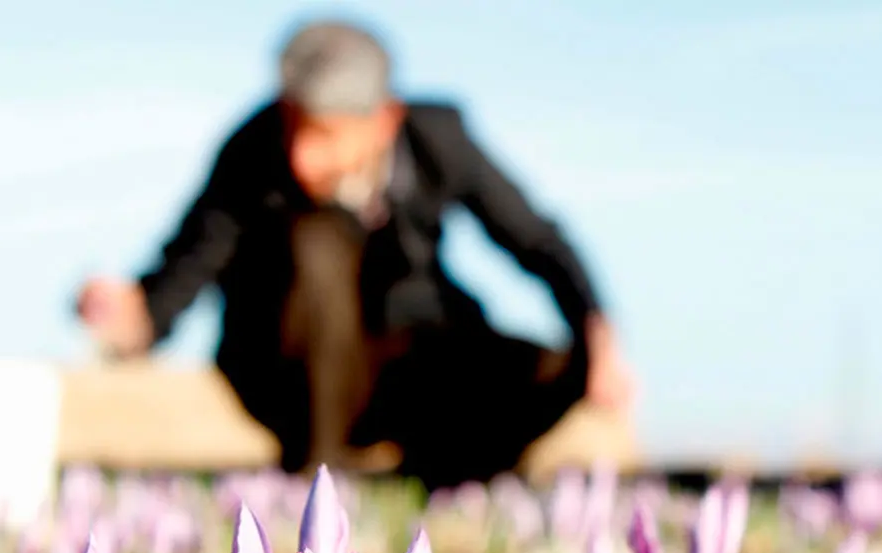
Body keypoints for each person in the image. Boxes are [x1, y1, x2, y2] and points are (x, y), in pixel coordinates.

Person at [77, 20, 635, 491]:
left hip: (412, 358)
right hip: (292, 370)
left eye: (323, 135)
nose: (300, 155)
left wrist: (597, 330)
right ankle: (318, 475)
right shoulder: (252, 151)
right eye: (294, 126)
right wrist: (129, 317)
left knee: (565, 364)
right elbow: (185, 268)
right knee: (316, 237)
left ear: (383, 121)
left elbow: (536, 239)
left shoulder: (437, 140)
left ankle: (449, 473)